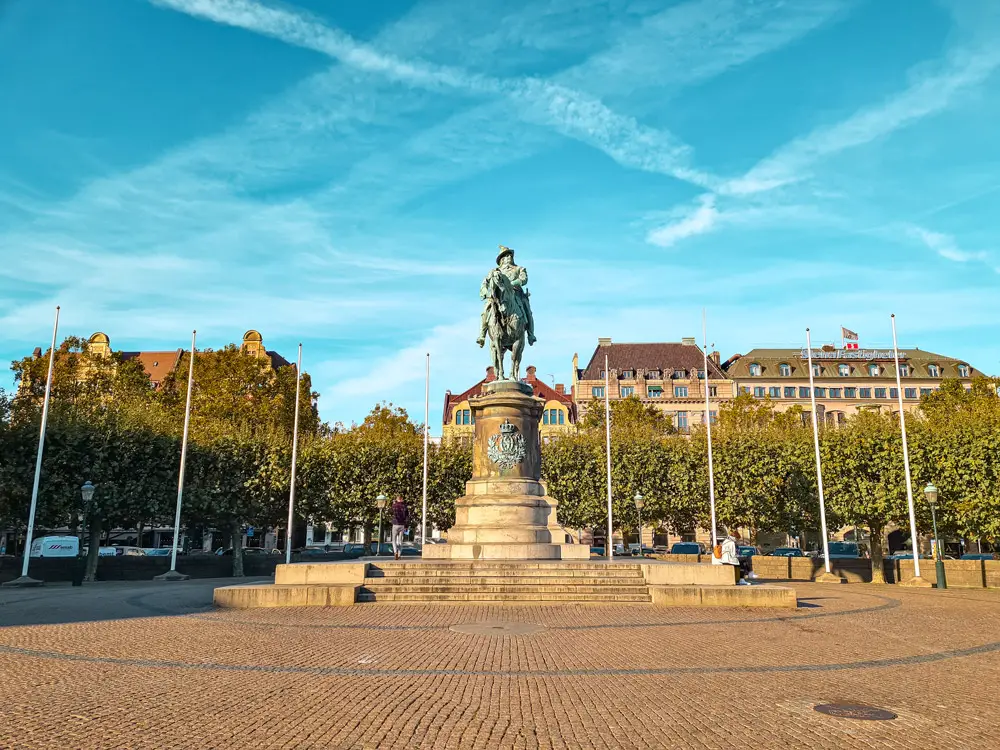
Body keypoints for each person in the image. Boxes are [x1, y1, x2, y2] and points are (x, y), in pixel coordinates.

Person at [390, 496, 409, 560]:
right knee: (400, 540)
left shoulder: (394, 505)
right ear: (402, 499)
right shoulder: (405, 506)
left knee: (394, 540)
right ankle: (399, 554)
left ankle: (395, 552)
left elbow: (391, 512)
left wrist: (393, 504)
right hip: (402, 525)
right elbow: (407, 517)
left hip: (395, 524)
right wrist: (406, 526)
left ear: (397, 499)